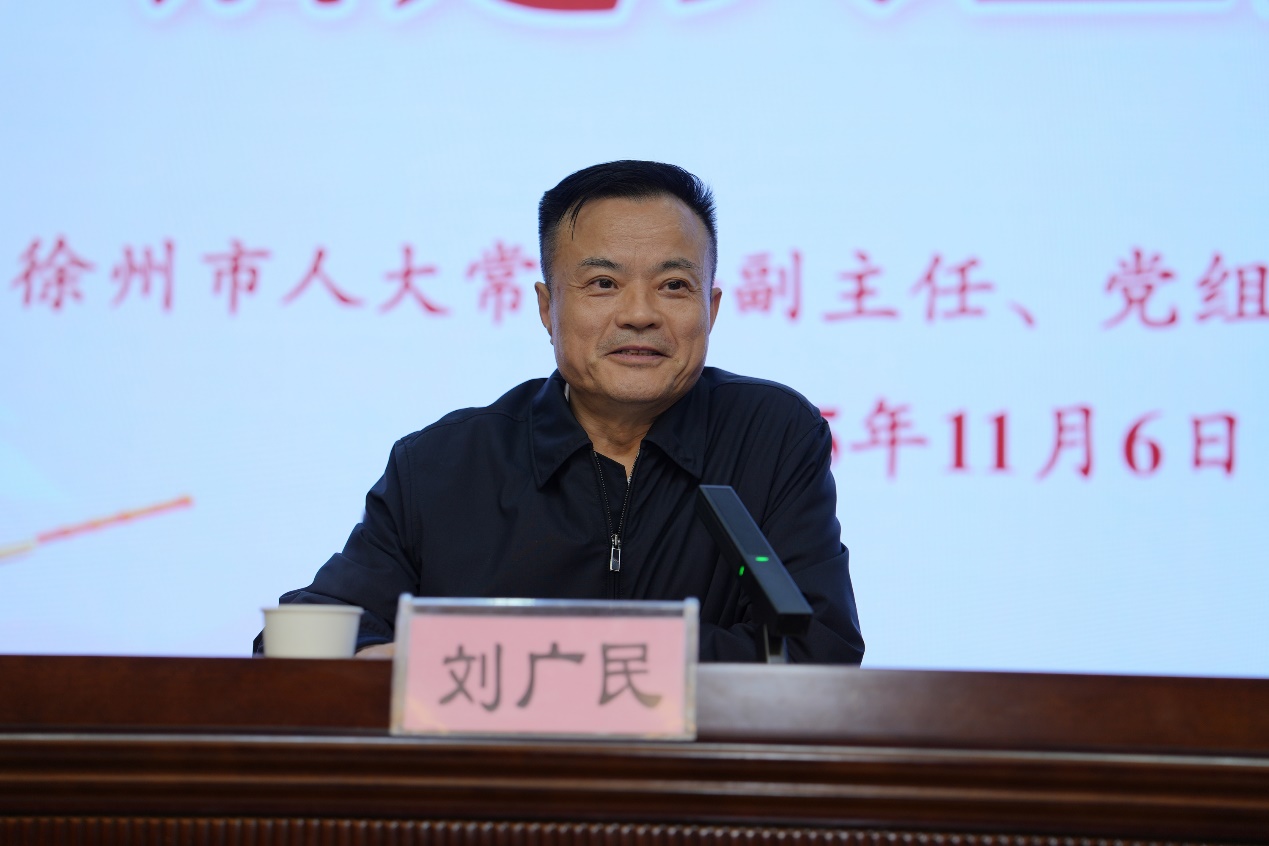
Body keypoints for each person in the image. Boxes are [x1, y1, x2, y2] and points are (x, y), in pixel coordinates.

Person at [259, 161, 863, 663]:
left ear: (713, 307)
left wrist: (528, 657)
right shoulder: (444, 464)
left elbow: (819, 648)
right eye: (602, 284)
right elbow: (299, 643)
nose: (639, 314)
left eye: (674, 286)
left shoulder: (771, 435)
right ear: (547, 308)